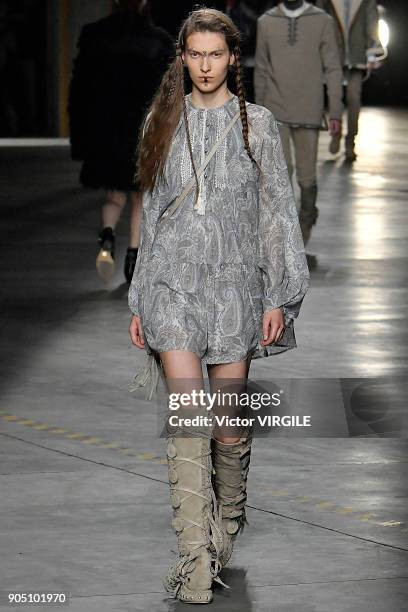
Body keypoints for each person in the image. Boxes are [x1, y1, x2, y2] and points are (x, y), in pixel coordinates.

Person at [128, 6, 310, 604]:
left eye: (216, 54)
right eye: (195, 54)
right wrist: (138, 298)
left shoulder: (257, 124)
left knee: (227, 428)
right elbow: (150, 212)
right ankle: (194, 557)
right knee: (189, 419)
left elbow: (279, 215)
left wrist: (280, 294)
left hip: (235, 288)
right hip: (173, 286)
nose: (205, 65)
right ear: (182, 58)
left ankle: (225, 528)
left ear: (233, 59)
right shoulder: (164, 119)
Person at [68, 0, 174, 283]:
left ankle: (107, 236)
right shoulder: (158, 41)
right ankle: (133, 255)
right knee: (140, 195)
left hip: (105, 129)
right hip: (141, 130)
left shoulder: (93, 35)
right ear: (143, 4)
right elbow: (166, 96)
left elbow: (79, 90)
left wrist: (80, 136)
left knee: (113, 194)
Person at [254, 0, 343, 246]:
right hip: (275, 109)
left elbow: (333, 68)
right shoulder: (267, 22)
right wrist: (258, 114)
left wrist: (335, 111)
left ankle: (305, 225)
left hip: (309, 110)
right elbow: (261, 69)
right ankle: (284, 238)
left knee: (306, 177)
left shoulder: (322, 21)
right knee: (280, 174)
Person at [315, 0, 384, 161]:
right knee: (334, 98)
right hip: (333, 54)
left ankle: (350, 141)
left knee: (354, 98)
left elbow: (372, 21)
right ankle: (336, 133)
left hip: (357, 54)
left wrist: (372, 51)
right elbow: (318, 21)